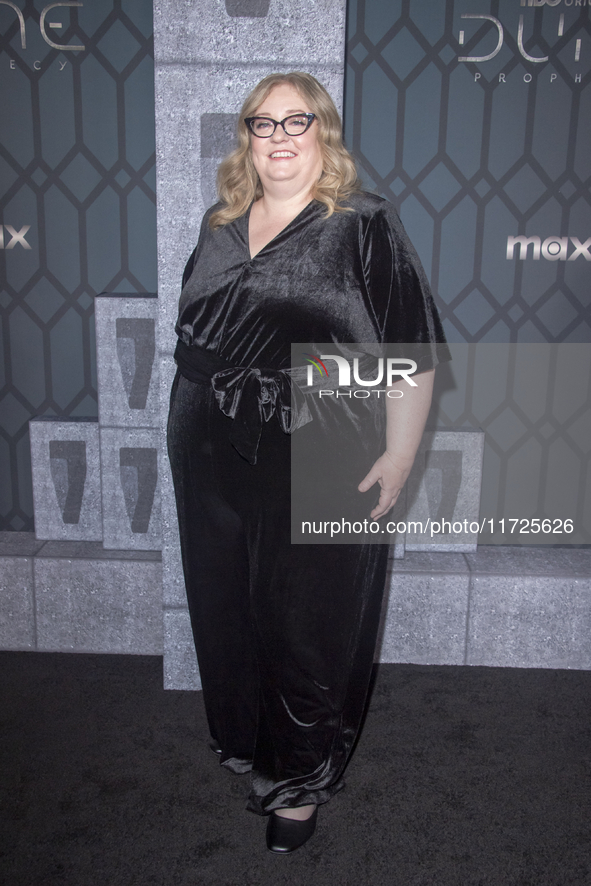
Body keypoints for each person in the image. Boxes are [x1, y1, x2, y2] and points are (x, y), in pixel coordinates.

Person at [167, 71, 448, 853]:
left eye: (299, 121)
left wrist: (397, 453)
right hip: (206, 434)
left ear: (322, 134)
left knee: (308, 620)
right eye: (265, 123)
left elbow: (410, 352)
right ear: (247, 138)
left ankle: (298, 782)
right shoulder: (217, 224)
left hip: (322, 434)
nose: (281, 137)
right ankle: (251, 743)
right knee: (224, 605)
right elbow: (198, 337)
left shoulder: (361, 224)